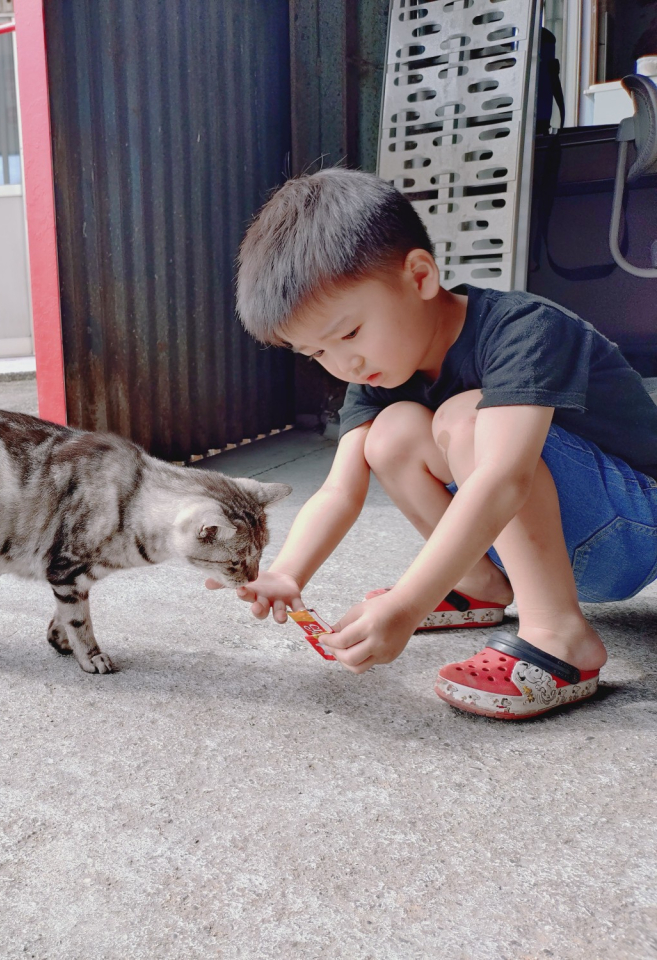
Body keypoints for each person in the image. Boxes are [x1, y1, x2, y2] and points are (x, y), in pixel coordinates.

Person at [214, 167, 657, 719]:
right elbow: (338, 491)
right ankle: (479, 584)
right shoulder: (382, 371)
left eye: (349, 333)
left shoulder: (524, 329)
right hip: (552, 536)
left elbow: (503, 478)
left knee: (467, 418)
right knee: (392, 432)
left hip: (634, 531)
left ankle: (560, 635)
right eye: (316, 354)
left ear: (419, 276)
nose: (342, 364)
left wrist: (407, 603)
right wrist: (288, 572)